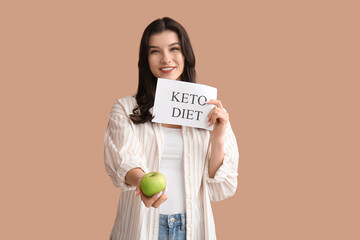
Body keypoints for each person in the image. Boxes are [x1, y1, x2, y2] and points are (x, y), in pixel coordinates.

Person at [104, 17, 239, 240]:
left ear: (186, 54)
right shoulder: (125, 108)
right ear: (145, 59)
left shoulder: (208, 110)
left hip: (192, 227)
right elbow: (123, 159)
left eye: (174, 49)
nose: (166, 59)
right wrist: (142, 182)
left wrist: (217, 137)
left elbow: (220, 184)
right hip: (142, 226)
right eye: (154, 51)